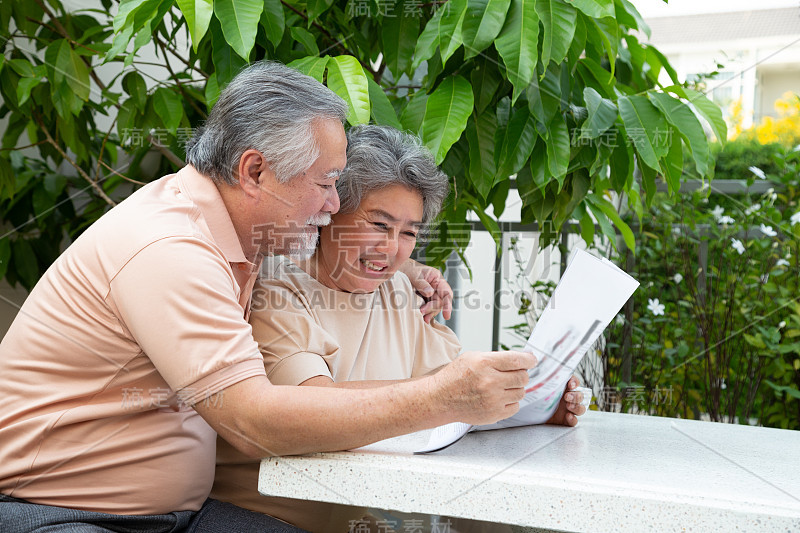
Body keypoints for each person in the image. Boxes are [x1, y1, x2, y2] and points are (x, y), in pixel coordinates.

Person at [0, 62, 537, 532]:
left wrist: (400, 261)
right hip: (57, 511)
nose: (333, 204)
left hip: (175, 515)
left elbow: (328, 256)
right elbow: (254, 424)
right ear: (254, 171)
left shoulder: (240, 235)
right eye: (326, 183)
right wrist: (442, 397)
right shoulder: (172, 247)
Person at [212, 125, 587, 532]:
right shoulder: (279, 289)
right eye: (378, 225)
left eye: (409, 232)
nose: (392, 250)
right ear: (329, 213)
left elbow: (454, 400)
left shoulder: (398, 292)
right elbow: (309, 402)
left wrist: (528, 401)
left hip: (365, 515)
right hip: (272, 518)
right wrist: (453, 394)